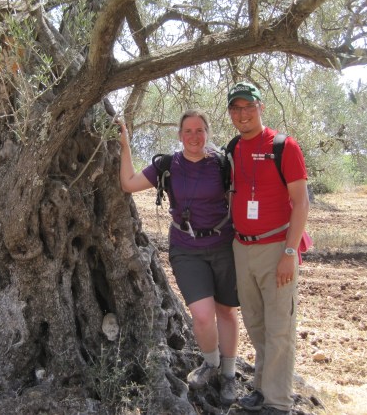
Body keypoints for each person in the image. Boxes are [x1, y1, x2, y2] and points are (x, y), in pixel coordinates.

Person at [118, 109, 240, 404]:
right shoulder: (168, 165)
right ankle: (210, 363)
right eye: (188, 131)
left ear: (207, 133)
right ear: (179, 135)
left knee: (226, 311)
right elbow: (128, 184)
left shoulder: (222, 164)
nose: (194, 136)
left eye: (199, 130)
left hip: (223, 245)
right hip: (186, 249)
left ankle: (229, 374)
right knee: (202, 315)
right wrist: (124, 145)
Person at [226, 82, 310, 415]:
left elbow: (301, 202)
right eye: (236, 108)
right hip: (242, 248)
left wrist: (289, 253)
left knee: (279, 328)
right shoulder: (233, 148)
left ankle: (278, 402)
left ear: (261, 107)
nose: (243, 114)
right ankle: (262, 388)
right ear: (230, 113)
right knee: (256, 323)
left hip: (277, 247)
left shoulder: (284, 146)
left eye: (249, 106)